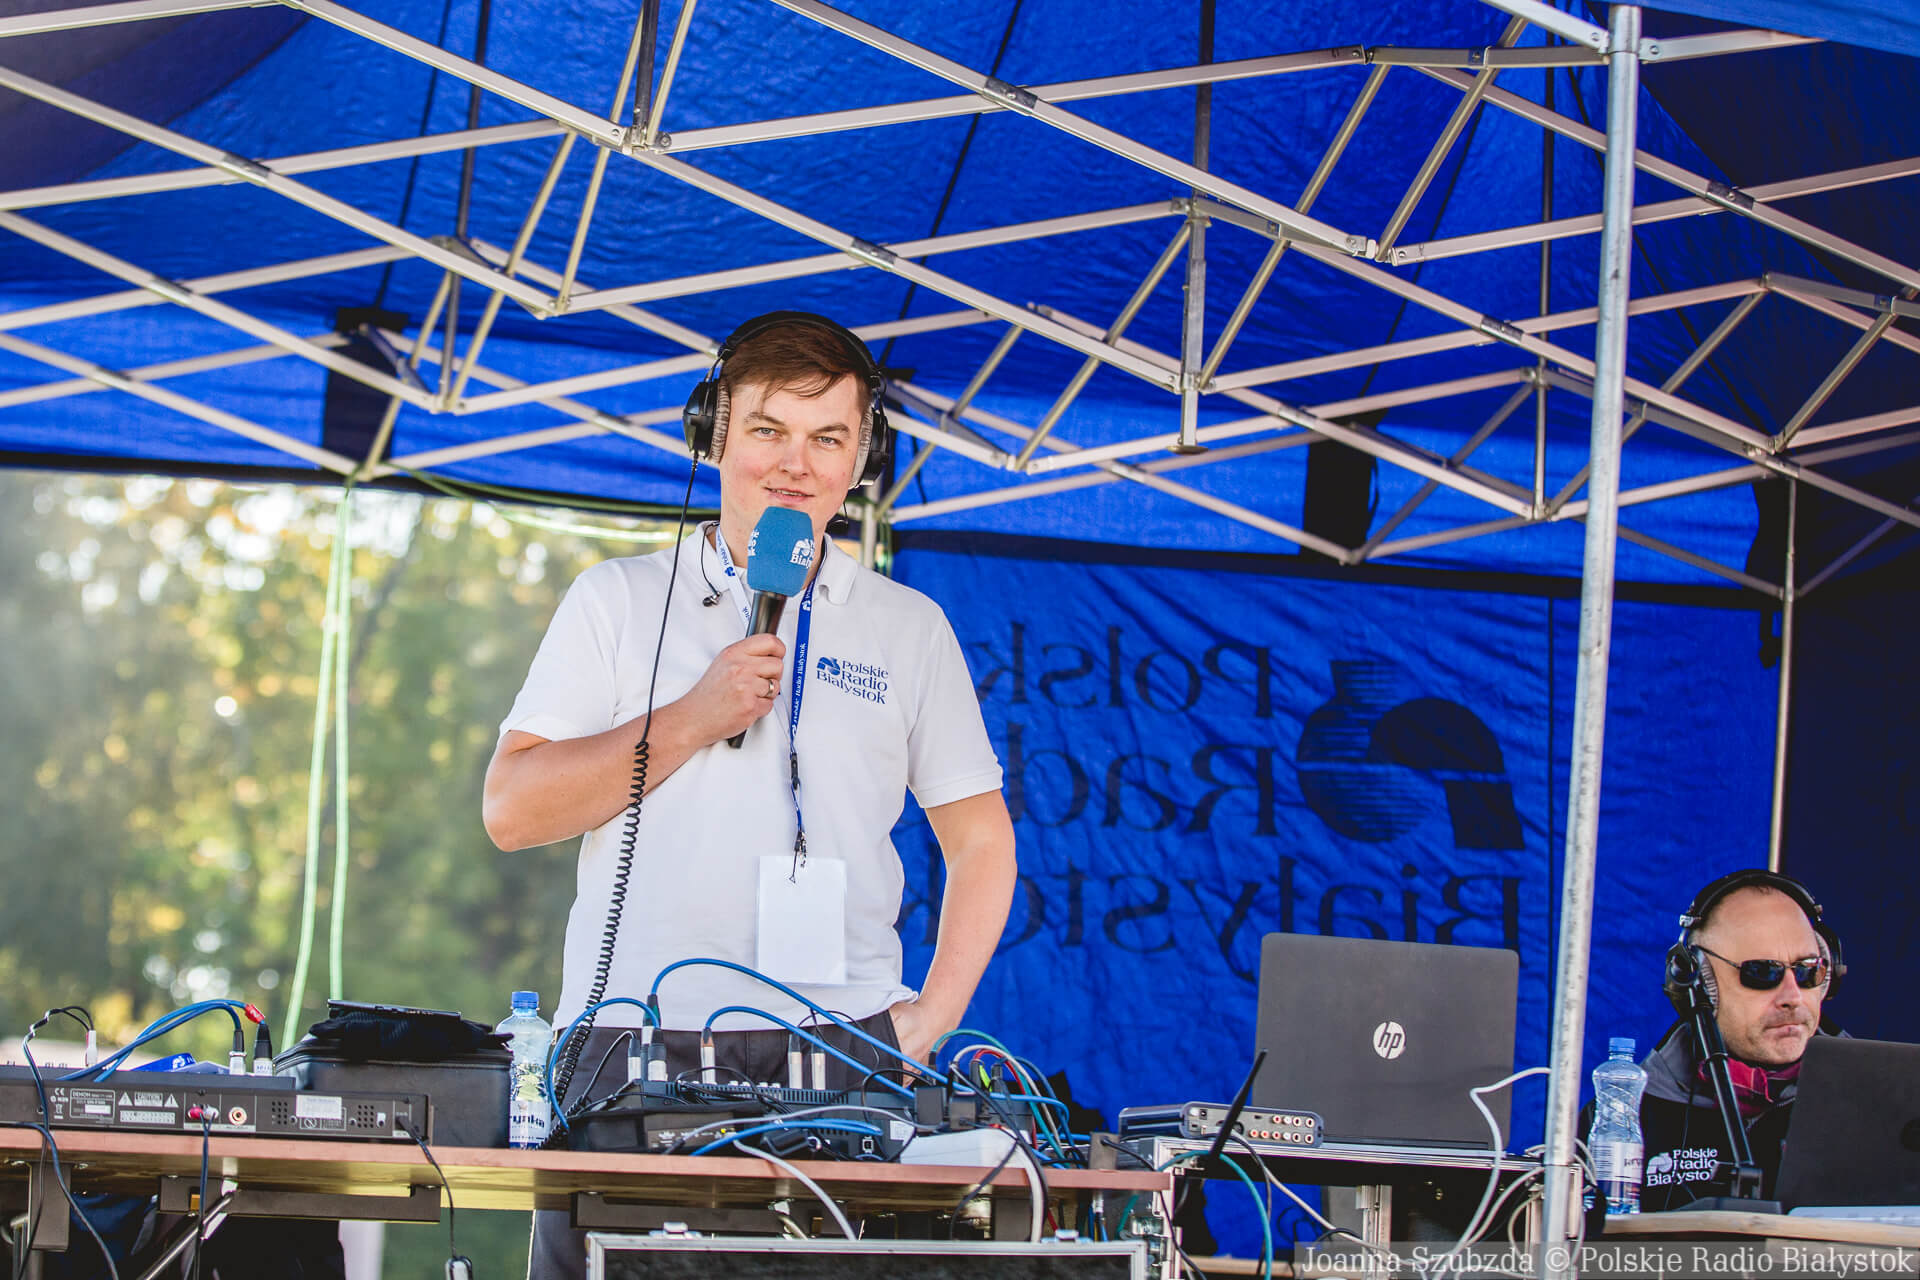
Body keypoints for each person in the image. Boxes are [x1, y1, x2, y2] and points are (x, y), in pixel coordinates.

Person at [482, 312, 1017, 1275]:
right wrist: (691, 717)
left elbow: (981, 840)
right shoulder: (618, 599)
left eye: (828, 438)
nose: (794, 464)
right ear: (712, 435)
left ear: (863, 459)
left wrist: (930, 1017)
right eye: (768, 429)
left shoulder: (910, 627)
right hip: (636, 1039)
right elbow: (513, 811)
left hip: (843, 1045)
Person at [1606, 869, 1845, 1213]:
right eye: (1762, 972)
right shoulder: (1622, 1115)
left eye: (1808, 970)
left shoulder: (1879, 1104)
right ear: (1700, 983)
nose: (1793, 997)